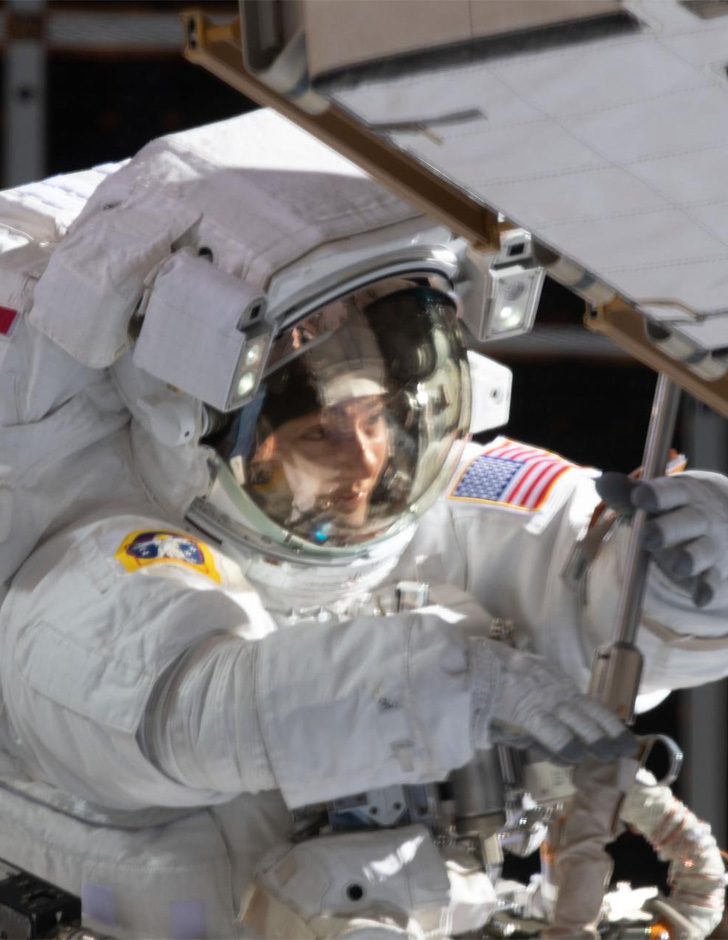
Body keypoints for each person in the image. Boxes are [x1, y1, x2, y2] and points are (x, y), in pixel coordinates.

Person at [1, 109, 728, 939]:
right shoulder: (103, 558)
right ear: (204, 435)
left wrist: (685, 584)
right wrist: (458, 684)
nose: (368, 461)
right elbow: (201, 710)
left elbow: (576, 583)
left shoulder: (414, 503)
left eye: (381, 418)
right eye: (321, 434)